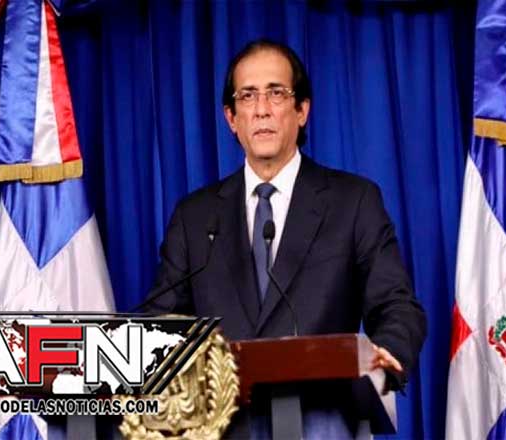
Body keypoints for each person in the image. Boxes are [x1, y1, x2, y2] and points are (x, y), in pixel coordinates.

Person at [149, 39, 426, 438]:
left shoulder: (352, 201)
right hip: (221, 424)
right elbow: (162, 322)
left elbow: (396, 305)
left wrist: (387, 353)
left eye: (276, 93)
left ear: (302, 110)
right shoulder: (194, 217)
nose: (261, 109)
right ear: (231, 118)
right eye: (247, 96)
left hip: (322, 419)